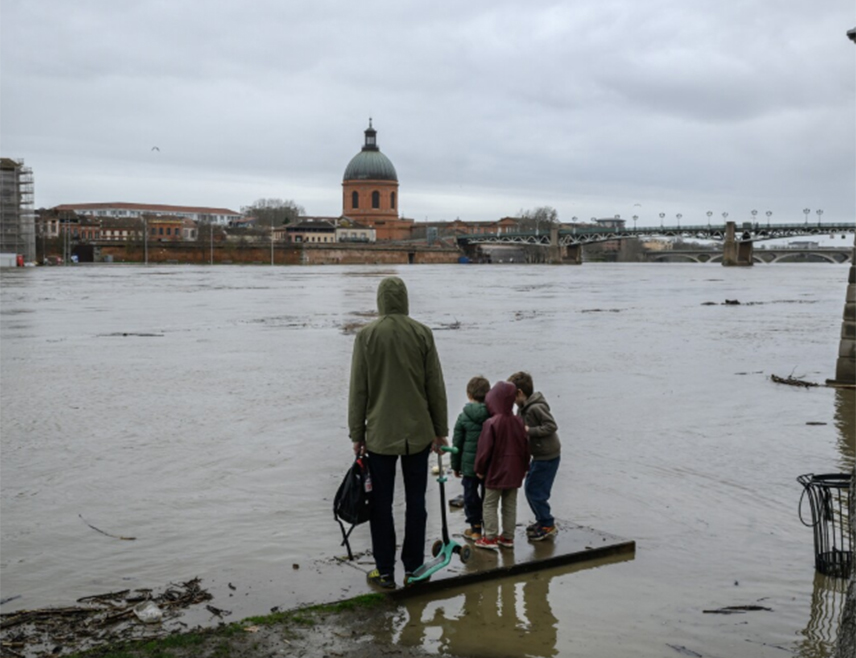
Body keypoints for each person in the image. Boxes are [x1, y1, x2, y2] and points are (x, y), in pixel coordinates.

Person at [348, 277, 448, 589]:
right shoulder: (423, 333)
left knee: (381, 504)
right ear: (405, 299)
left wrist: (356, 434)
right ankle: (414, 566)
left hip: (379, 435)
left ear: (380, 301)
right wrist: (440, 430)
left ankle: (385, 570)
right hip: (418, 433)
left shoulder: (366, 336)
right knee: (416, 501)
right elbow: (435, 385)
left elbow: (358, 390)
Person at [473, 381, 530, 550]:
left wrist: (479, 470)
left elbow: (484, 451)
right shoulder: (519, 422)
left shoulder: (491, 423)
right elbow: (526, 447)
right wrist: (525, 467)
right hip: (514, 471)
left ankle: (490, 537)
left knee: (490, 504)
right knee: (510, 505)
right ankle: (508, 537)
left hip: (495, 472)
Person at [508, 371, 561, 541]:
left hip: (548, 456)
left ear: (520, 393)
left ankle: (547, 524)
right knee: (531, 488)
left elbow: (551, 426)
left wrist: (529, 431)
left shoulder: (537, 407)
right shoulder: (521, 409)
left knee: (535, 491)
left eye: (512, 396)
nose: (511, 400)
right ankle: (542, 520)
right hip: (538, 456)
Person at [450, 376, 491, 541]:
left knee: (470, 496)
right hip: (488, 465)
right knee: (489, 497)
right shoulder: (492, 414)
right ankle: (491, 528)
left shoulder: (463, 417)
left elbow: (456, 444)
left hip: (469, 467)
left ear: (469, 394)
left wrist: (455, 466)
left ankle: (475, 529)